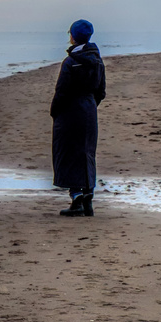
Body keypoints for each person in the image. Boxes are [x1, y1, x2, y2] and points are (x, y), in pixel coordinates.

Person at [50, 19, 105, 217]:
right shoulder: (97, 60)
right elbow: (101, 91)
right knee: (87, 152)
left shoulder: (71, 61)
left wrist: (55, 111)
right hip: (89, 111)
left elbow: (62, 91)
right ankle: (88, 194)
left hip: (70, 111)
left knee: (68, 152)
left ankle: (76, 198)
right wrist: (90, 105)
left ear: (73, 36)